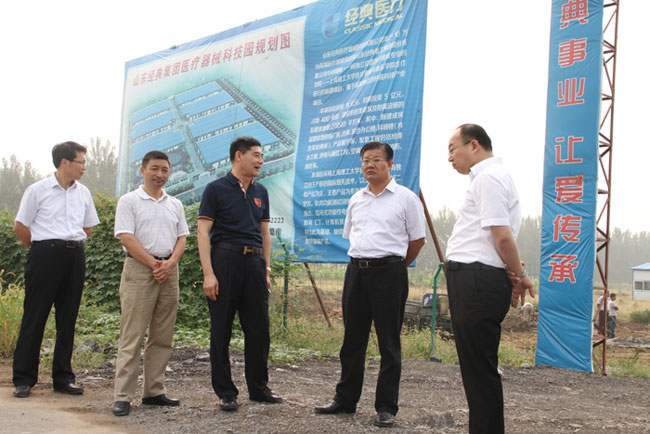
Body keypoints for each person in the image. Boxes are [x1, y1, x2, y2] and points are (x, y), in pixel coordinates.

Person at [315, 142, 426, 428]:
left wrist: (397, 266)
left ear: (390, 164)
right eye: (365, 160)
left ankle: (386, 407)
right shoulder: (356, 199)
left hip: (389, 273)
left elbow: (417, 240)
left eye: (376, 160)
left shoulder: (406, 198)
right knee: (353, 339)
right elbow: (352, 236)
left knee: (388, 341)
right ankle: (345, 399)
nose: (370, 165)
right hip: (356, 271)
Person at [445, 124, 534, 434]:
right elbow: (495, 241)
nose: (450, 157)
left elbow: (503, 237)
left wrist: (520, 275)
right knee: (476, 369)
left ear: (474, 145)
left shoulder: (489, 178)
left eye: (452, 149)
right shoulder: (488, 178)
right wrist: (512, 270)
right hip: (475, 277)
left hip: (476, 281)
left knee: (479, 371)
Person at [197, 136, 281, 412]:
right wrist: (209, 274)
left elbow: (265, 233)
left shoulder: (261, 191)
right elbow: (203, 232)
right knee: (221, 328)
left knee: (259, 330)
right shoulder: (215, 189)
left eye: (261, 155)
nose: (261, 160)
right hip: (225, 261)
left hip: (254, 263)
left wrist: (266, 268)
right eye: (256, 155)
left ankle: (259, 388)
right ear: (238, 156)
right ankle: (226, 392)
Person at [12, 141, 100, 398]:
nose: (84, 167)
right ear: (64, 162)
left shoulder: (83, 192)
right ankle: (23, 378)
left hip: (74, 256)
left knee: (67, 318)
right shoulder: (37, 190)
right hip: (44, 255)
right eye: (81, 162)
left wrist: (67, 244)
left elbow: (88, 227)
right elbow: (20, 226)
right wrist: (41, 248)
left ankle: (63, 377)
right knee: (35, 315)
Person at [111, 150, 189, 416]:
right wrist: (154, 264)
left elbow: (182, 238)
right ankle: (123, 396)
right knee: (132, 335)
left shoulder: (174, 204)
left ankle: (154, 391)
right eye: (154, 168)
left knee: (162, 335)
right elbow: (126, 237)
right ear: (142, 170)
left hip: (169, 271)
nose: (160, 174)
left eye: (165, 170)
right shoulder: (129, 201)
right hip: (140, 270)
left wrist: (170, 263)